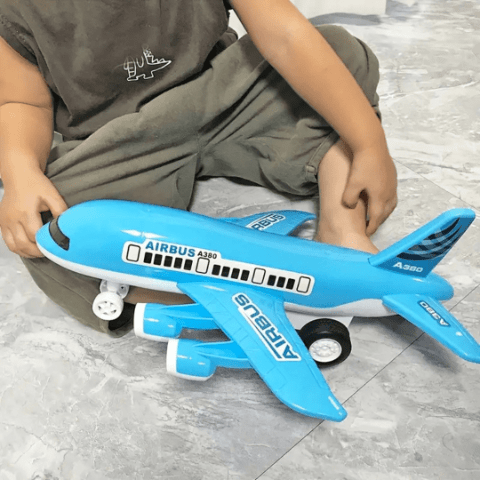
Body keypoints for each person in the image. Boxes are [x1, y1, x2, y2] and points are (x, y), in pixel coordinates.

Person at [0, 0, 397, 335]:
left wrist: (369, 143)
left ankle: (341, 226)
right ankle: (186, 296)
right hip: (123, 138)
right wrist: (20, 172)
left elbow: (286, 35)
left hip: (223, 95)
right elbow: (22, 101)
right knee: (54, 226)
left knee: (339, 56)